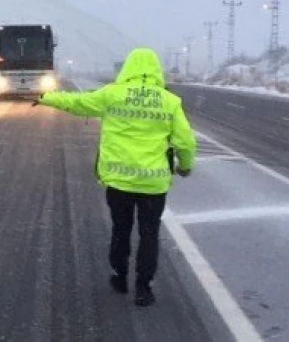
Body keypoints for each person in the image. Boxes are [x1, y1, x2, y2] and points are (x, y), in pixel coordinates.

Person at [36, 47, 196, 307]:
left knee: (121, 229)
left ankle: (120, 276)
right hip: (153, 184)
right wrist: (185, 167)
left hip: (119, 181)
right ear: (156, 70)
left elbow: (77, 103)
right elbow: (185, 141)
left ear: (128, 68)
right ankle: (144, 288)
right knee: (149, 233)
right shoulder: (169, 101)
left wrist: (46, 97)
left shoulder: (113, 94)